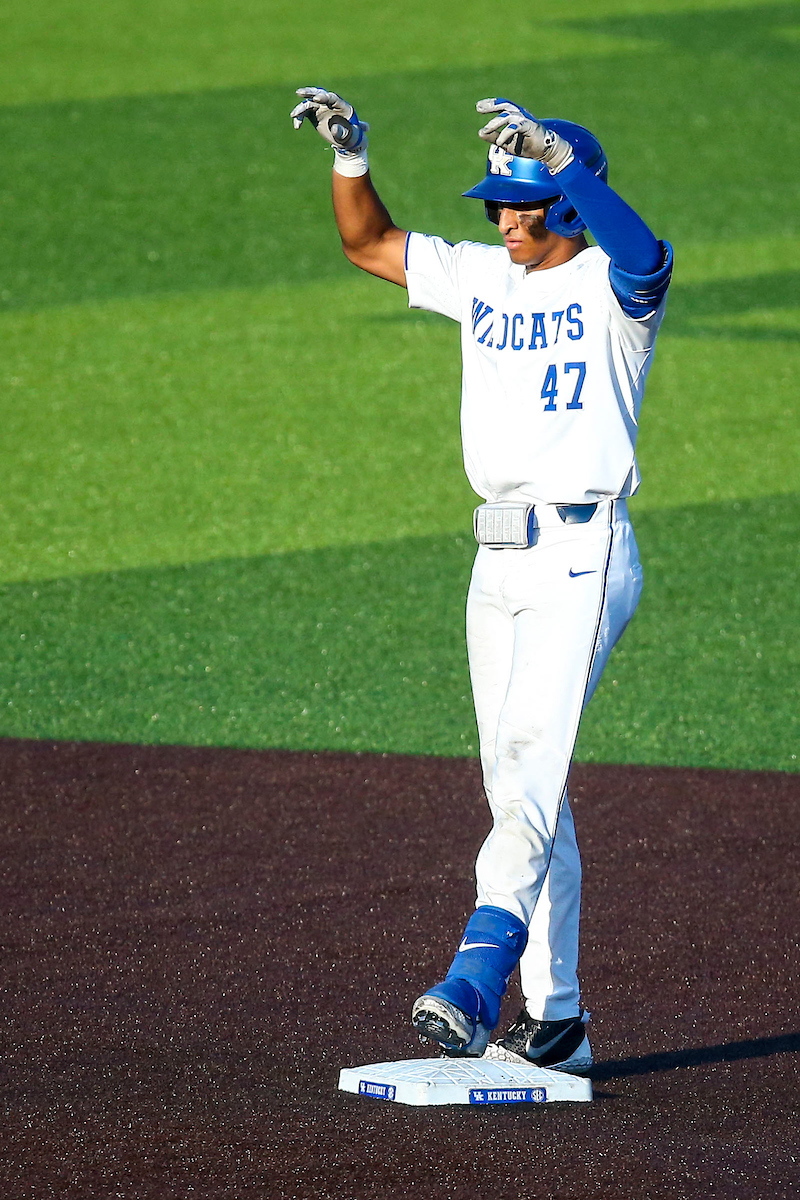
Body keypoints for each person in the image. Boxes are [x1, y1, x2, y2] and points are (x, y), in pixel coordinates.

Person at [291, 87, 672, 1073]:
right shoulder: (479, 276)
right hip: (493, 558)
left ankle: (476, 972)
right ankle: (558, 1019)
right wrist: (350, 158)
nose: (504, 218)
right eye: (496, 202)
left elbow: (648, 257)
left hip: (580, 553)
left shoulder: (611, 292)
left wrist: (569, 165)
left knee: (531, 769)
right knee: (516, 780)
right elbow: (369, 246)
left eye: (523, 202)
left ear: (569, 207)